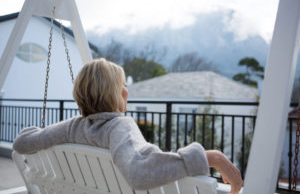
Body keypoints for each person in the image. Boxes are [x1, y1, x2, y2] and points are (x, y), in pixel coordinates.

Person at [13, 58, 242, 193]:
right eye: (123, 85)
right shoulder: (119, 127)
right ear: (119, 93)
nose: (126, 90)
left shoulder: (72, 127)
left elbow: (22, 142)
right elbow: (139, 173)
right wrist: (212, 157)